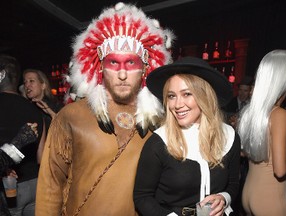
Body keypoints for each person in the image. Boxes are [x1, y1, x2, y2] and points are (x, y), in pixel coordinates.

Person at [35, 2, 175, 215]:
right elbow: (51, 184)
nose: (121, 74)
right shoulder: (72, 115)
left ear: (145, 68)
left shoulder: (161, 121)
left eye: (130, 63)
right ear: (100, 66)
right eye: (113, 62)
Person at [133, 56, 241, 216]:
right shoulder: (159, 142)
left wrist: (223, 198)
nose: (177, 104)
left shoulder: (229, 136)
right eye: (171, 96)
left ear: (204, 96)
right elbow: (142, 197)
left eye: (186, 94)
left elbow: (233, 184)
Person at [238, 50, 286, 216]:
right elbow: (280, 170)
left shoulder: (251, 112)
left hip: (248, 193)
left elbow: (244, 152)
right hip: (270, 198)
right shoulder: (279, 114)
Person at [0, 55, 44, 216]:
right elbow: (41, 156)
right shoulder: (35, 108)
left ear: (1, 74)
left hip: (10, 185)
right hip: (35, 183)